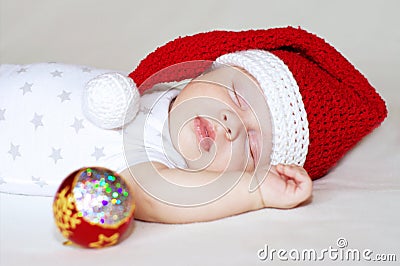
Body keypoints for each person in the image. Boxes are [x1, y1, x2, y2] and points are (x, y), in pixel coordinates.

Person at [84, 27, 387, 224]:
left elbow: (155, 197)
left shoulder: (158, 160)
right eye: (238, 96)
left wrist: (257, 193)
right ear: (209, 70)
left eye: (253, 147)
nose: (233, 126)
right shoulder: (149, 89)